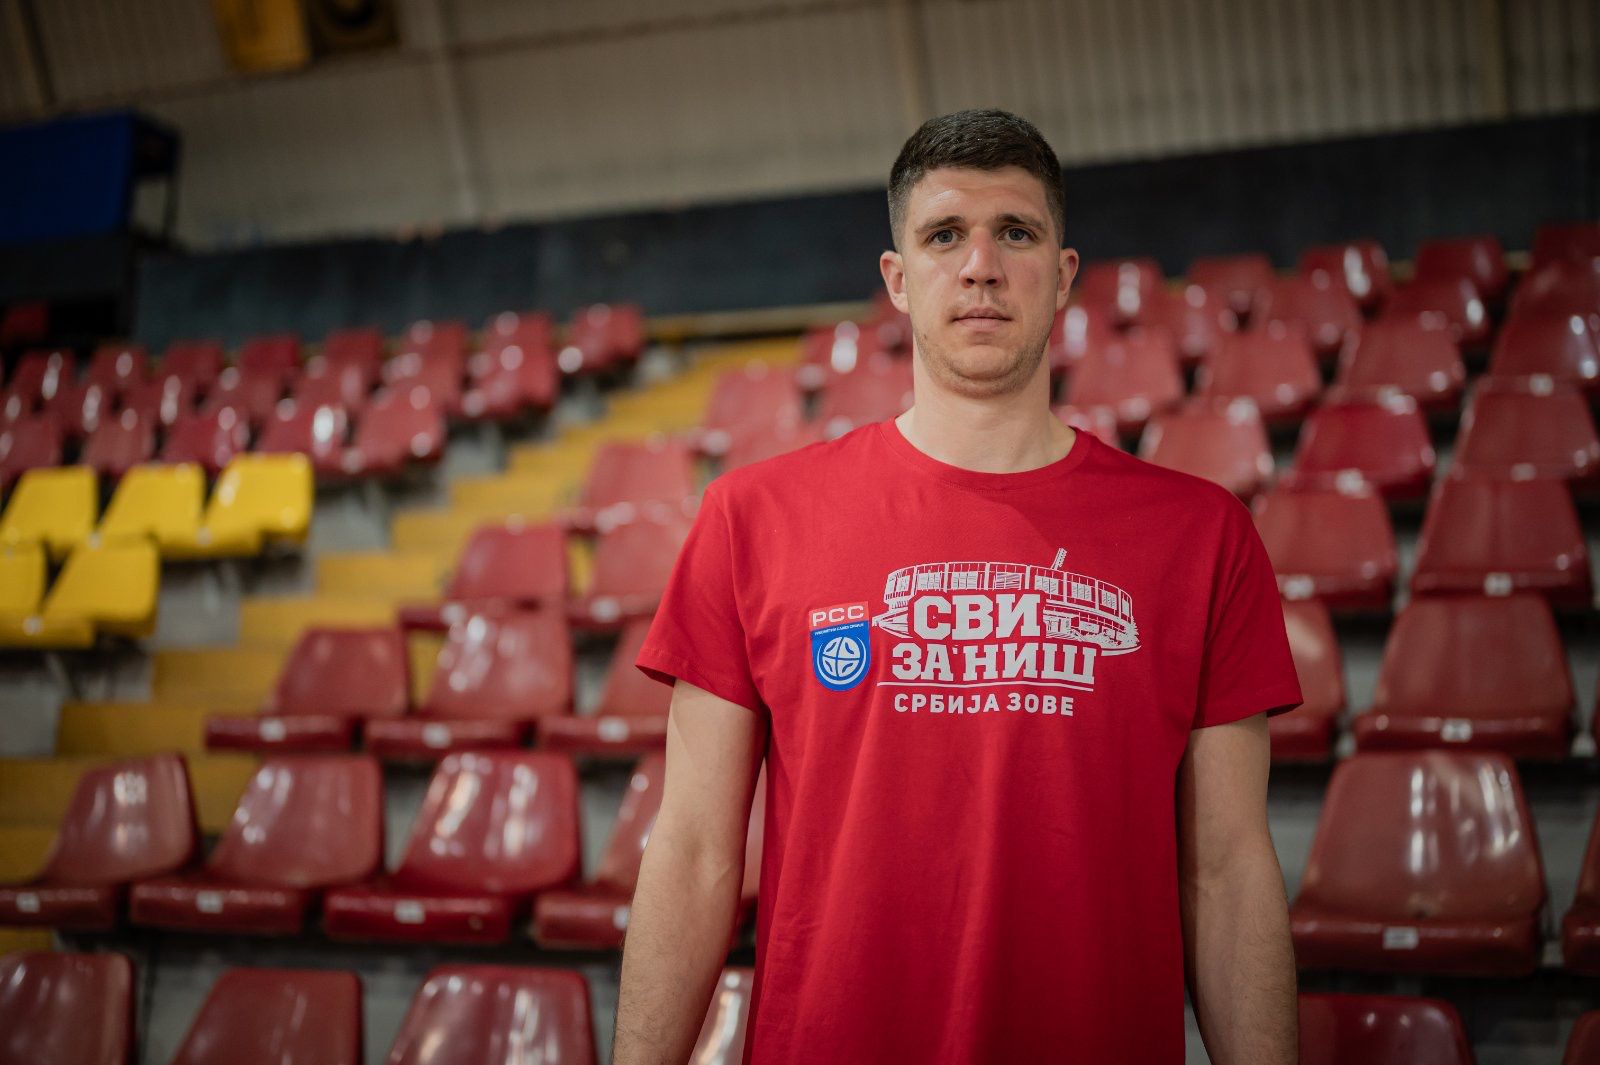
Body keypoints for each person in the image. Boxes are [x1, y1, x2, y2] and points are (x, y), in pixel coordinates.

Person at [612, 108, 1301, 1065]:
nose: (981, 265)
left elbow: (1227, 874)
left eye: (1015, 232)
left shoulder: (1202, 536)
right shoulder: (750, 519)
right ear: (898, 279)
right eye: (944, 235)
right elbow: (691, 852)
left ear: (1063, 273)